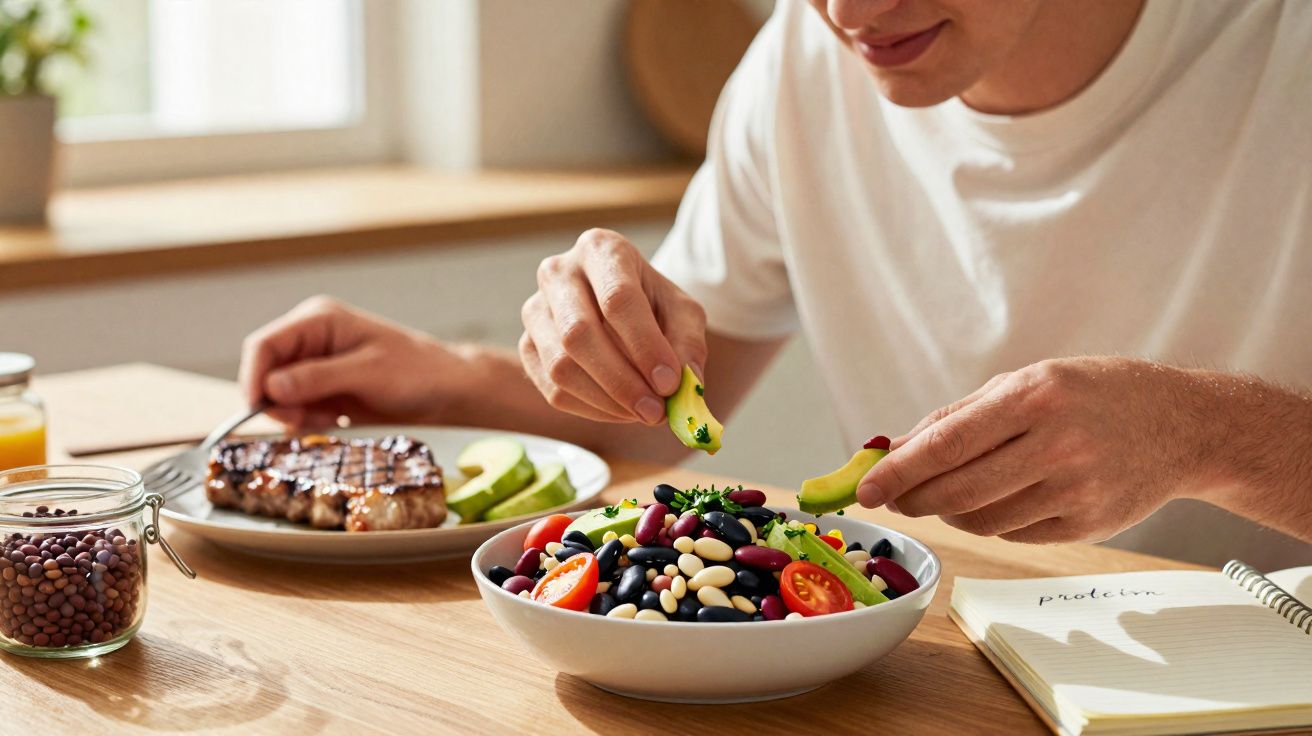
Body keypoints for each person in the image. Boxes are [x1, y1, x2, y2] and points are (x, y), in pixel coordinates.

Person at [240, 0, 1312, 568]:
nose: (851, 10)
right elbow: (663, 417)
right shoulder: (803, 64)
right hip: (937, 673)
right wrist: (444, 377)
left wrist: (1203, 434)